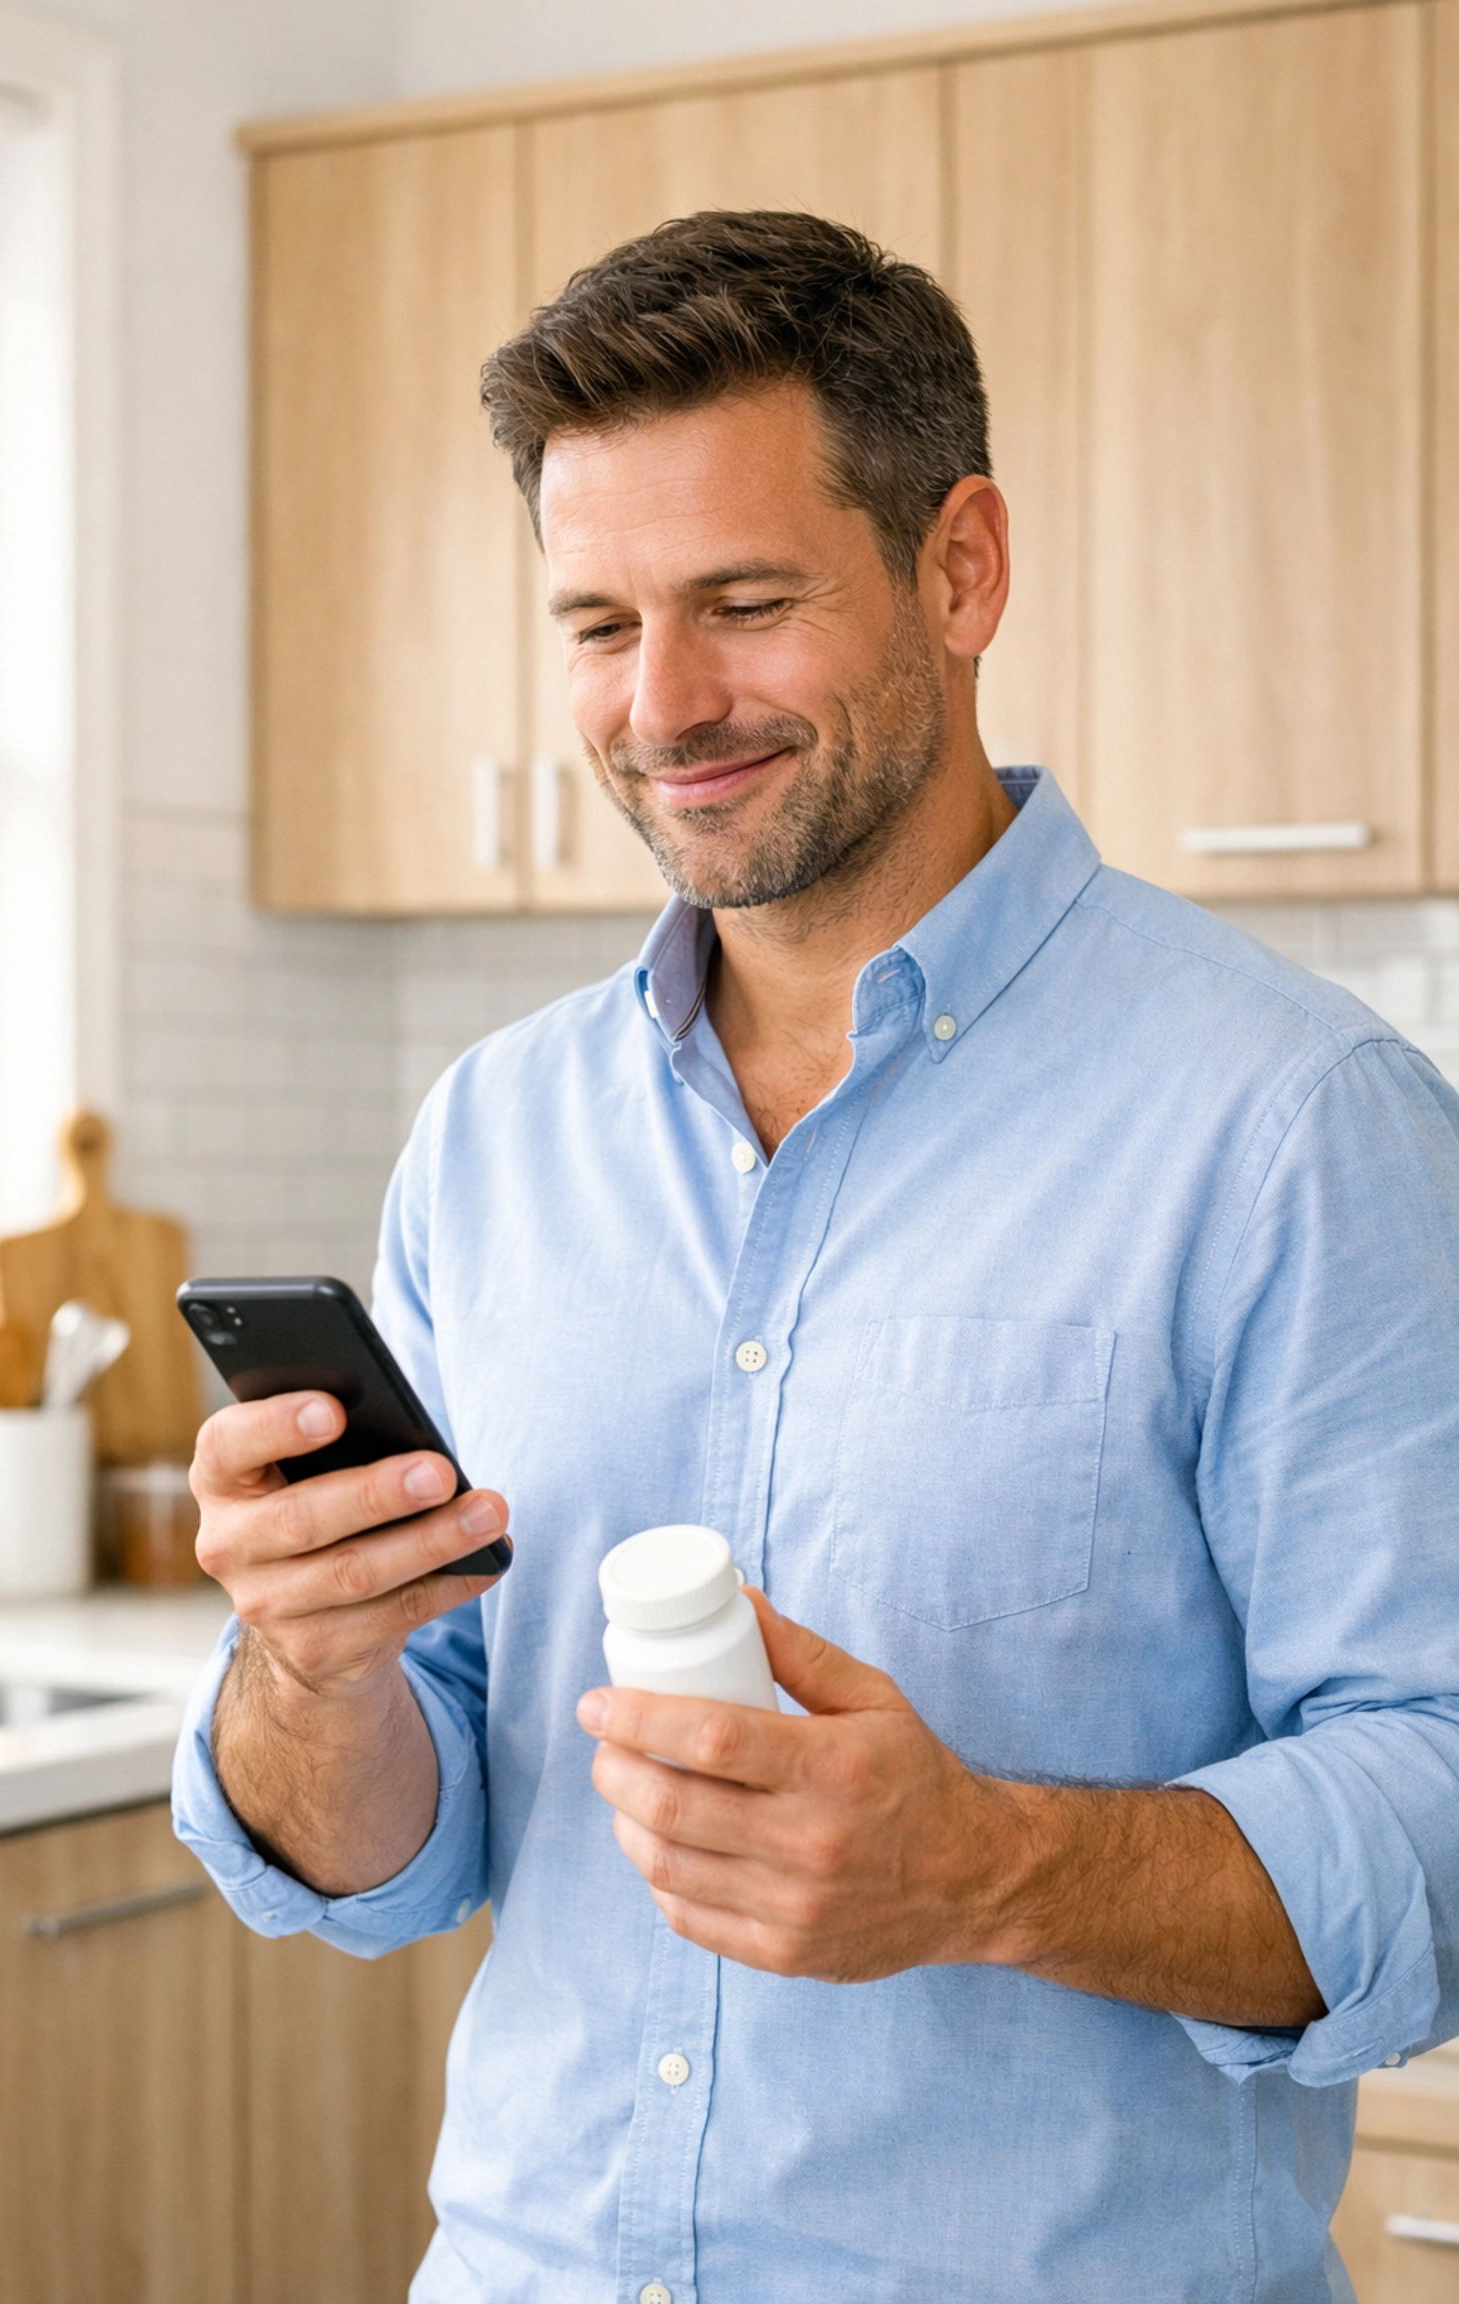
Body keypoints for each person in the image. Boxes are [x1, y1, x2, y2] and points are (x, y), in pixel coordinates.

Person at [174, 212, 1459, 2303]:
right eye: (597, 624)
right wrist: (306, 1663)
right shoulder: (493, 1138)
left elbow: (1442, 1793)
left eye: (742, 604)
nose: (661, 708)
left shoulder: (1296, 1123)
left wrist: (989, 1871)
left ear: (962, 568)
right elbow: (382, 1863)